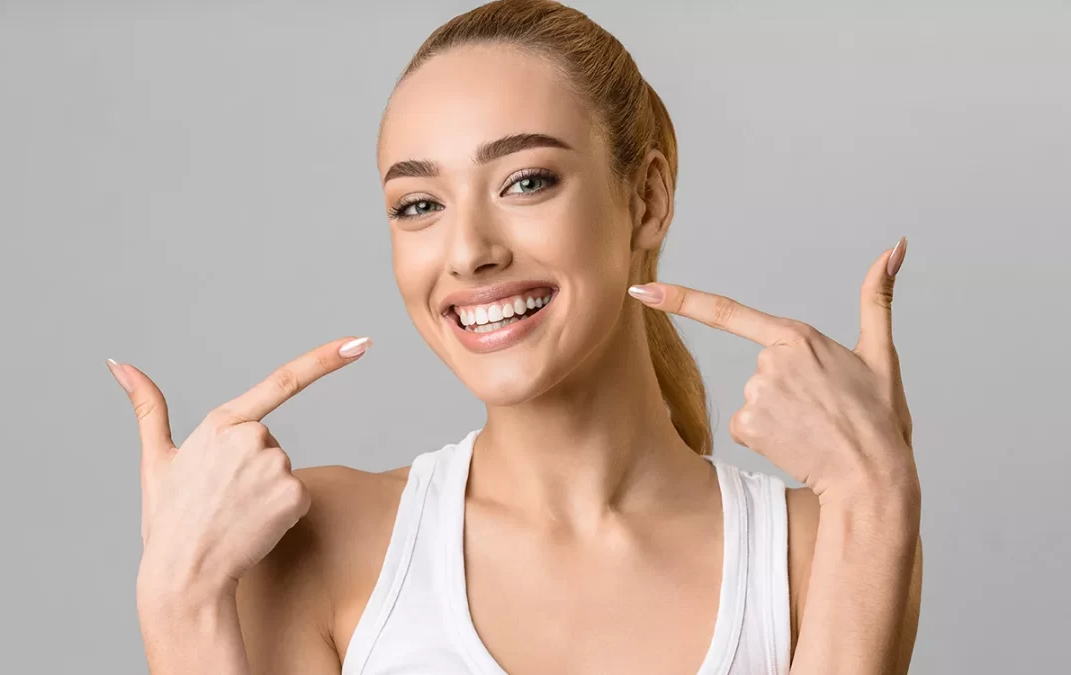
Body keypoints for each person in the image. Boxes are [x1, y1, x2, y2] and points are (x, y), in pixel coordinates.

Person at [109, 1, 923, 673]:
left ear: (646, 198)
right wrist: (178, 602)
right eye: (418, 205)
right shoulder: (319, 542)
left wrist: (877, 493)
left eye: (525, 181)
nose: (468, 251)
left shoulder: (820, 544)